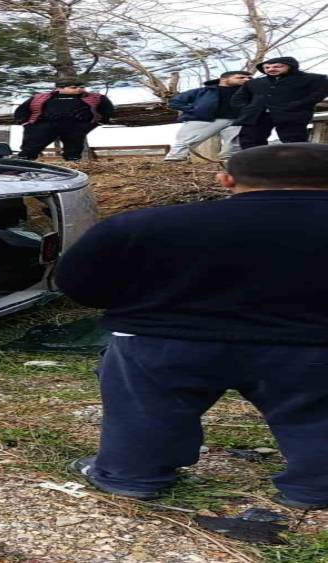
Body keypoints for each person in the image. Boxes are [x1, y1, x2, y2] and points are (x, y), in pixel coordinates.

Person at [55, 143, 328, 510]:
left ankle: (131, 477)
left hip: (160, 341)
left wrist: (135, 308)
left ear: (226, 179)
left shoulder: (146, 224)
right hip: (312, 345)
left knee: (145, 409)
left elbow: (75, 281)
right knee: (317, 415)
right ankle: (316, 490)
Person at [232, 57, 328, 149]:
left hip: (291, 114)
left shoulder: (313, 78)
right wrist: (248, 108)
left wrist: (298, 104)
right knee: (249, 141)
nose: (271, 69)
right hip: (257, 116)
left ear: (290, 66)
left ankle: (297, 164)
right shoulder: (255, 82)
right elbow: (238, 98)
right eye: (267, 67)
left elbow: (319, 94)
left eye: (277, 66)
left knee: (295, 142)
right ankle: (256, 163)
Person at [13, 81, 115, 161]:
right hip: (44, 124)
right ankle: (25, 161)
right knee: (32, 145)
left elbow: (107, 110)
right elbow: (22, 110)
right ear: (60, 88)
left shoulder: (95, 97)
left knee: (74, 146)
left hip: (76, 126)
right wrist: (26, 123)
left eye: (82, 87)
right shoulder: (40, 97)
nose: (79, 89)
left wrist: (98, 122)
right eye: (74, 87)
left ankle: (73, 162)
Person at [164, 71, 253, 161]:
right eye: (241, 77)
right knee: (187, 139)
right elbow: (175, 102)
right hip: (206, 119)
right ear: (224, 79)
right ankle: (174, 159)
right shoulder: (203, 91)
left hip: (236, 120)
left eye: (249, 78)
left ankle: (231, 161)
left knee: (235, 142)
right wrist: (195, 109)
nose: (246, 79)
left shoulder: (247, 92)